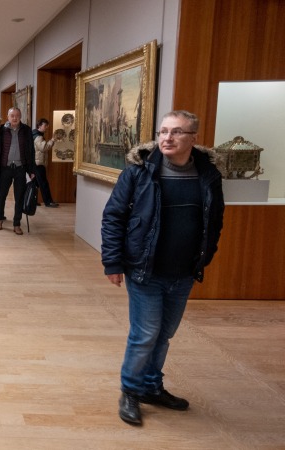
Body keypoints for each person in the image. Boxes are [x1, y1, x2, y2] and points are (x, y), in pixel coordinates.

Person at [101, 110, 224, 426]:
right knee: (145, 334)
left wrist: (205, 256)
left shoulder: (208, 175)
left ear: (193, 138)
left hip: (183, 272)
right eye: (163, 131)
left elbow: (214, 219)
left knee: (164, 334)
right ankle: (130, 391)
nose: (167, 138)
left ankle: (151, 387)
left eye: (177, 132)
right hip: (145, 268)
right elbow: (114, 217)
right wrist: (113, 261)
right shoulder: (139, 172)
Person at [0, 107, 35, 235]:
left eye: (17, 115)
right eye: (12, 116)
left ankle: (17, 224)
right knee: (1, 196)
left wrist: (31, 170)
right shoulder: (1, 130)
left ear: (20, 116)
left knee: (19, 197)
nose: (15, 118)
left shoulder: (26, 130)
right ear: (8, 117)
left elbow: (31, 151)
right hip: (5, 168)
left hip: (21, 168)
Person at [32, 118, 59, 207]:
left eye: (47, 125)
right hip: (38, 163)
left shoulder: (35, 134)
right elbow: (43, 148)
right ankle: (48, 202)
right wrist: (52, 140)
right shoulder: (38, 136)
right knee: (43, 183)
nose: (46, 127)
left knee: (35, 183)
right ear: (39, 126)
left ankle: (32, 200)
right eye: (45, 125)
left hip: (35, 163)